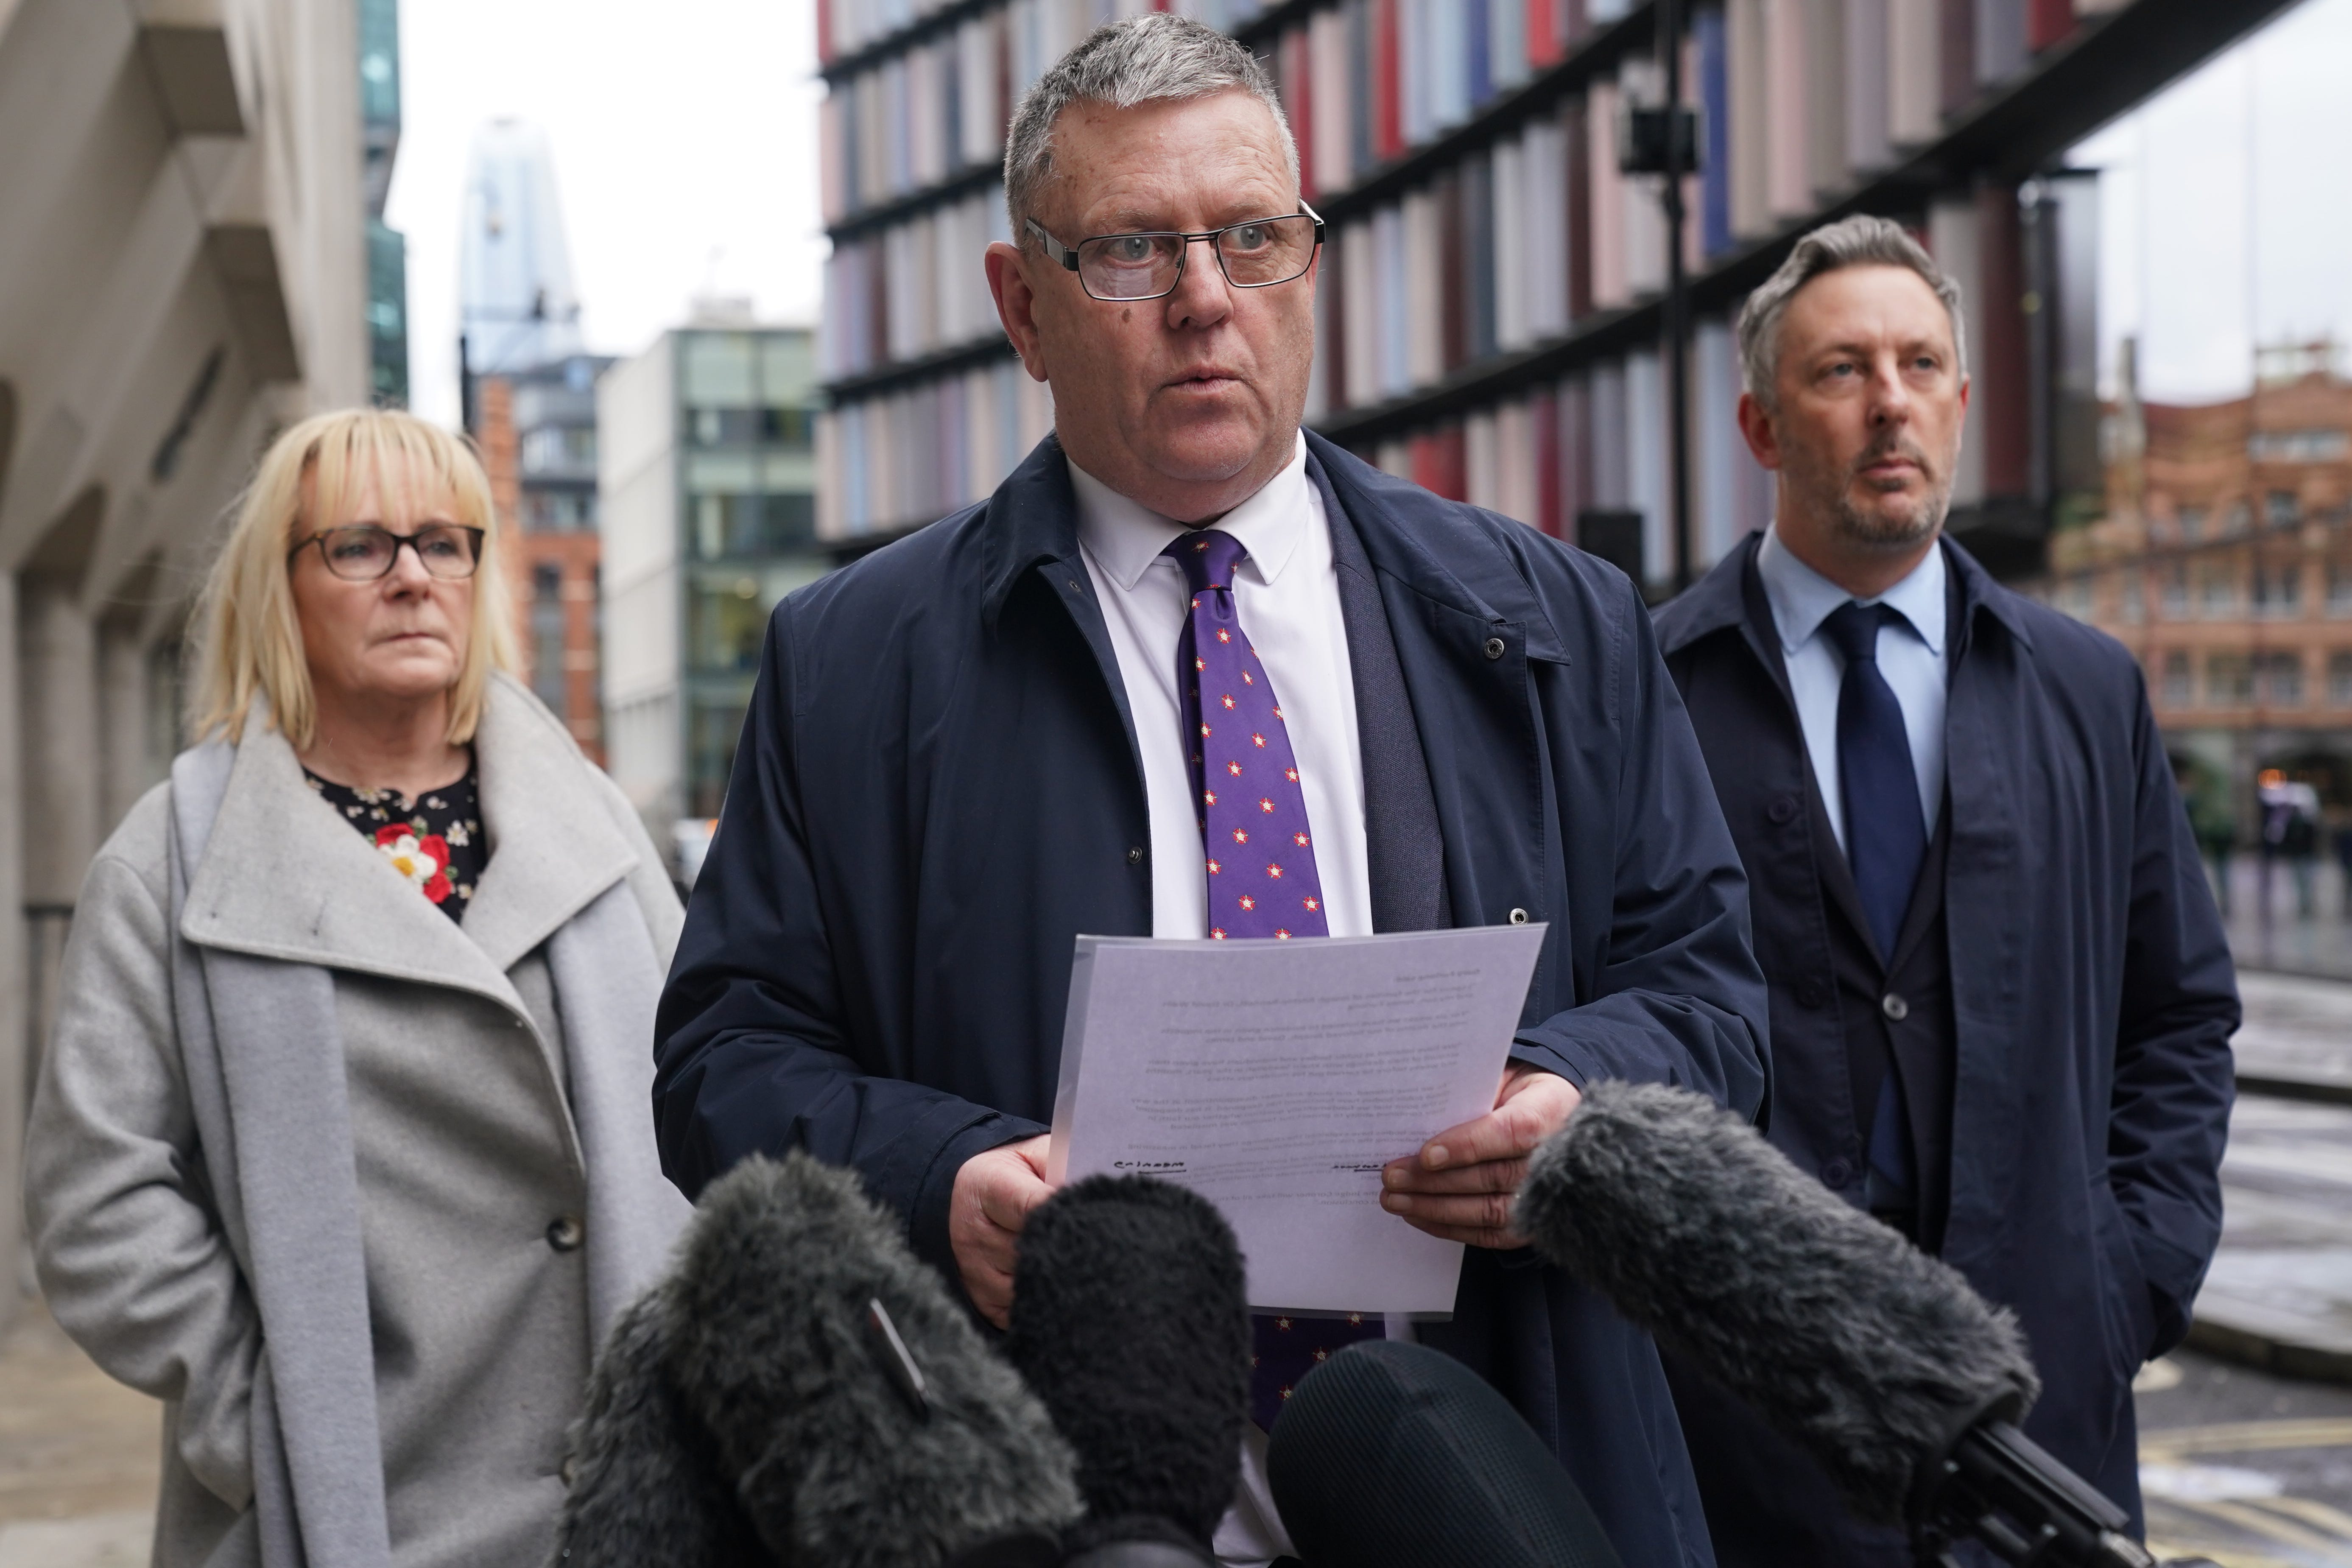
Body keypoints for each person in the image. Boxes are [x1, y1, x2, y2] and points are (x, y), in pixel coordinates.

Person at [654, 17, 1765, 1568]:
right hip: (1044, 1503)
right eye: (1130, 252)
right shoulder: (858, 664)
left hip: (1490, 1482)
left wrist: (1568, 1107)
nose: (1204, 302)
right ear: (1020, 305)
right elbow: (722, 1058)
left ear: (1309, 263)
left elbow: (1710, 991)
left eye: (1252, 238)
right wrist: (938, 1182)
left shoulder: (1552, 622)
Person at [1652, 216, 2237, 1564]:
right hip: (1747, 1438)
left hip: (2041, 1418)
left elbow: (2179, 1016)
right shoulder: (1649, 693)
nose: (1888, 402)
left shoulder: (2087, 692)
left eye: (1920, 364)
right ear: (1760, 423)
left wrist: (2125, 1278)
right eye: (1840, 370)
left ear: (1963, 402)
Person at [26, 410, 690, 1568]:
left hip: (616, 1501)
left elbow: (701, 1103)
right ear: (277, 586)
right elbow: (96, 1208)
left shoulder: (595, 829)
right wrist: (282, 1427)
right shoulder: (173, 859)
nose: (411, 579)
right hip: (347, 1520)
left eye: (444, 542)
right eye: (359, 545)